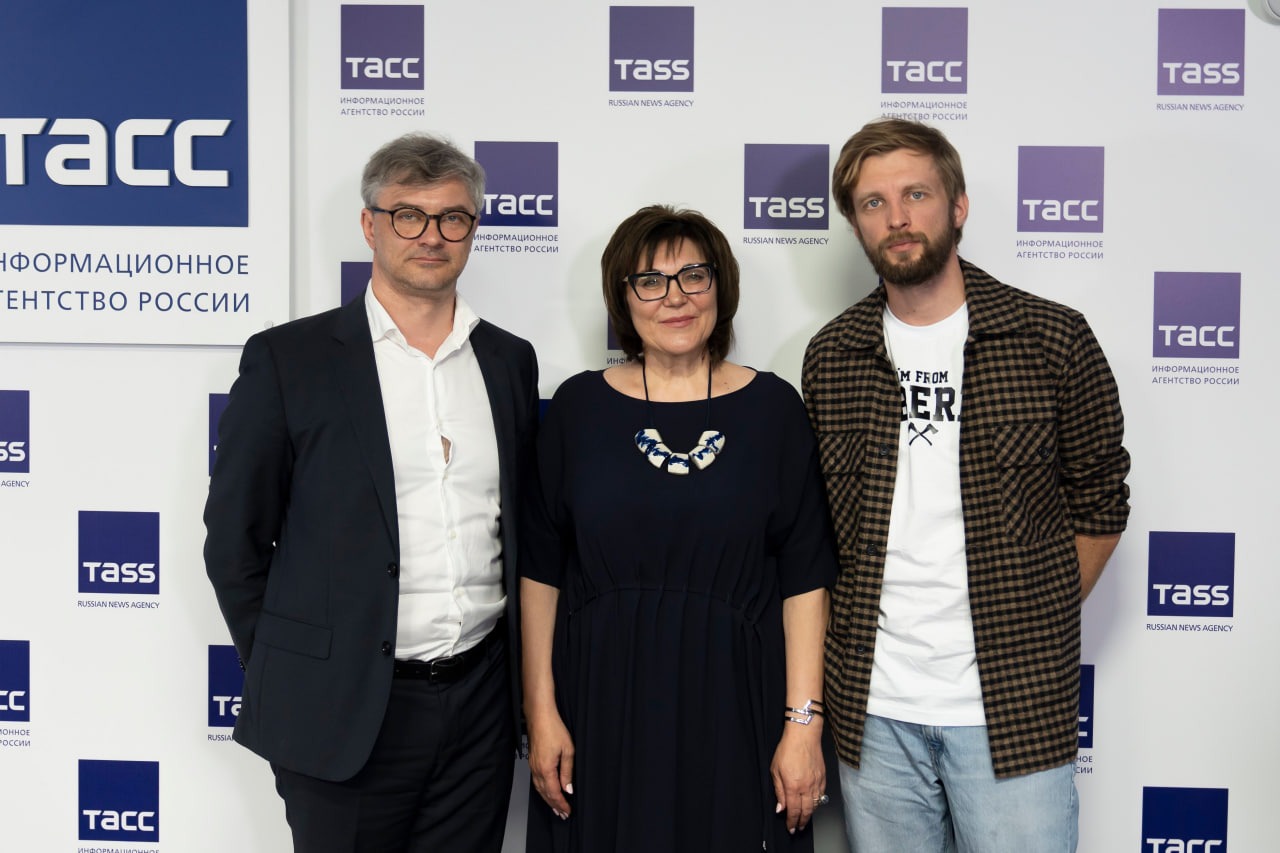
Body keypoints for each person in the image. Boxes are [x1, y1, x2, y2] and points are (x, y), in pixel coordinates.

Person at [203, 133, 539, 852]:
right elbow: (234, 541)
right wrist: (297, 669)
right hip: (342, 709)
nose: (432, 235)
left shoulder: (509, 360)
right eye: (408, 215)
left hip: (481, 704)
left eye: (453, 217)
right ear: (370, 225)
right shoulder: (290, 359)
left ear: (473, 229)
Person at [803, 117, 1130, 852]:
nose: (898, 217)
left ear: (958, 205)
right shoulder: (832, 356)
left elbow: (1101, 503)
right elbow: (821, 528)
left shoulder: (1050, 340)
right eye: (874, 202)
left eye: (916, 194)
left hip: (1013, 707)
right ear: (855, 224)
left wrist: (1032, 613)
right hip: (874, 711)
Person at [521, 205, 836, 852]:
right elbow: (540, 572)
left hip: (736, 706)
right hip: (599, 707)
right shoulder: (578, 407)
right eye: (650, 281)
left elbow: (805, 579)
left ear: (721, 287)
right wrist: (541, 710)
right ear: (622, 297)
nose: (675, 298)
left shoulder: (774, 408)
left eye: (694, 275)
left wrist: (804, 724)